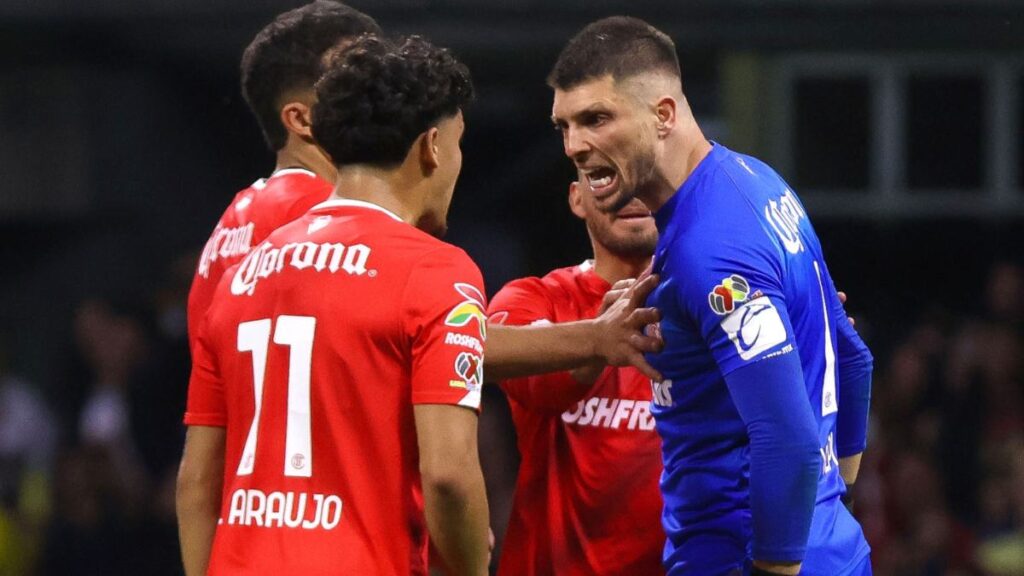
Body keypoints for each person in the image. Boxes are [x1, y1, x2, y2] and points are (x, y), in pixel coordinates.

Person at [549, 16, 874, 576]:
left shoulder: (711, 252)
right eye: (565, 125)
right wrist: (831, 498)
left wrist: (778, 562)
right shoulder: (759, 181)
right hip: (828, 549)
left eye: (596, 119)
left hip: (740, 555)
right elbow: (852, 356)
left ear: (664, 114)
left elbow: (789, 440)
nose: (576, 145)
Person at [177, 34, 488, 574]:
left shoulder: (240, 275)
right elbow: (449, 476)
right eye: (460, 144)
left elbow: (197, 482)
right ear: (432, 146)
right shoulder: (436, 270)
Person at [488, 174, 665, 575]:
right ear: (576, 198)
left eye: (645, 178)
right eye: (605, 177)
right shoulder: (531, 300)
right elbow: (538, 386)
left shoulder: (714, 307)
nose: (630, 193)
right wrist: (600, 339)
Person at [186, 1, 382, 355]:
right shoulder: (323, 214)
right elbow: (431, 343)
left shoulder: (231, 224)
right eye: (354, 84)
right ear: (301, 119)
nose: (381, 98)